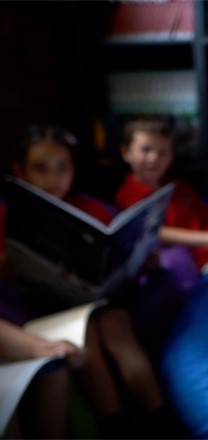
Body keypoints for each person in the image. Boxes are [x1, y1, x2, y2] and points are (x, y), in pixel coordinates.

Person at [1, 124, 176, 438]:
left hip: (103, 297)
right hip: (47, 302)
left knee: (115, 327)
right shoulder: (9, 215)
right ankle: (113, 422)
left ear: (73, 170)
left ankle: (159, 416)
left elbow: (118, 246)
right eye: (40, 169)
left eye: (61, 168)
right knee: (86, 333)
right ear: (20, 170)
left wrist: (141, 256)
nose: (52, 179)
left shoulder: (91, 208)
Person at [115, 117, 208, 275]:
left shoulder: (178, 187)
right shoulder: (128, 195)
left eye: (162, 152)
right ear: (126, 152)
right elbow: (158, 233)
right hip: (200, 263)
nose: (154, 158)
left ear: (171, 156)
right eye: (146, 150)